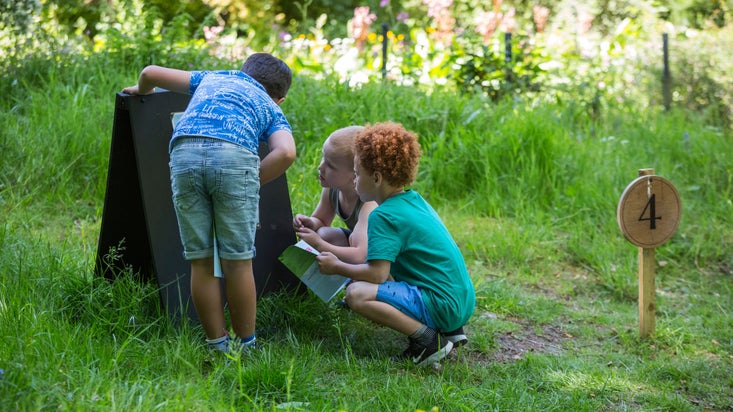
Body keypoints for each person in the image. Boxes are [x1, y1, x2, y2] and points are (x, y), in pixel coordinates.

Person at [122, 53, 296, 353]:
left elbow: (150, 72)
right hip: (234, 159)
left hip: (184, 155)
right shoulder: (270, 106)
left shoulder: (213, 77)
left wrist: (142, 91)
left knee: (201, 261)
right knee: (237, 262)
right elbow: (285, 153)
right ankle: (246, 345)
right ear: (279, 99)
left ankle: (217, 344)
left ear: (242, 71)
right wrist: (252, 180)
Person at [315, 122, 475, 366]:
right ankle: (450, 330)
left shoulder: (383, 215)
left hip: (443, 304)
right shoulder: (413, 200)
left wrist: (337, 266)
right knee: (372, 281)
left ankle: (429, 340)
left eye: (357, 175)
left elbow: (377, 274)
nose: (355, 182)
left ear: (377, 178)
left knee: (357, 294)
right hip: (461, 301)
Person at [292, 126, 377, 265]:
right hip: (363, 249)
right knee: (323, 234)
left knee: (349, 239)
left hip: (388, 259)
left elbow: (360, 256)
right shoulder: (333, 188)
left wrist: (319, 245)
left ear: (355, 174)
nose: (320, 167)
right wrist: (310, 223)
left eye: (330, 166)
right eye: (323, 157)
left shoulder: (368, 204)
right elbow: (321, 221)